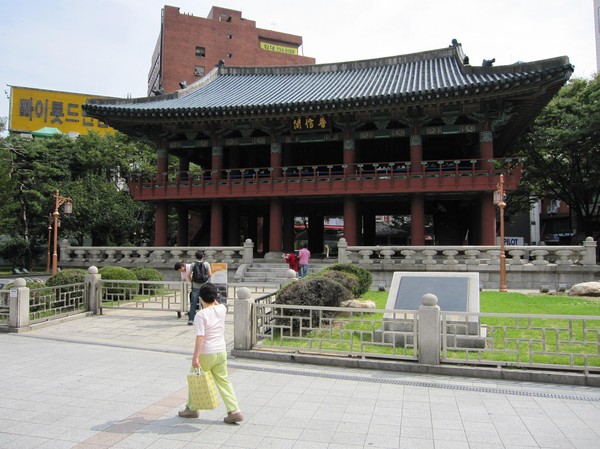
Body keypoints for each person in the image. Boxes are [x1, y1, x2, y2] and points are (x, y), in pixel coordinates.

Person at [179, 283, 243, 423]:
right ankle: (234, 410)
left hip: (206, 353)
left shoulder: (200, 315)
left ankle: (192, 408)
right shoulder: (222, 308)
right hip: (221, 351)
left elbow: (200, 337)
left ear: (201, 298)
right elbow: (216, 303)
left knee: (195, 378)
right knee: (224, 381)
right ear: (215, 297)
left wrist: (195, 357)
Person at [188, 251, 212, 325]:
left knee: (193, 303)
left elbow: (188, 275)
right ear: (203, 257)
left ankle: (191, 319)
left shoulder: (193, 264)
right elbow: (210, 274)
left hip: (195, 286)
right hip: (204, 286)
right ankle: (205, 320)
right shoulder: (206, 264)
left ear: (196, 257)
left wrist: (192, 281)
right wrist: (206, 280)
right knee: (205, 302)